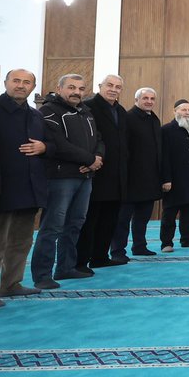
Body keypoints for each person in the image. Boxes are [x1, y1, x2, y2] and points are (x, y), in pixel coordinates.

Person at [0, 68, 46, 308]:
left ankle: (11, 284)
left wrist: (44, 148)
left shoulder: (36, 116)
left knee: (21, 241)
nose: (21, 85)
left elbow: (48, 147)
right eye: (16, 80)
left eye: (27, 82)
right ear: (6, 82)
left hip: (29, 188)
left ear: (33, 87)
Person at [32, 73, 101, 289]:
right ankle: (42, 275)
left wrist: (97, 159)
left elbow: (99, 139)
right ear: (59, 88)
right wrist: (89, 159)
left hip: (85, 176)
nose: (76, 92)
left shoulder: (86, 112)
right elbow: (57, 144)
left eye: (81, 89)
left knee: (75, 224)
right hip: (61, 178)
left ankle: (65, 267)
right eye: (71, 87)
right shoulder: (48, 111)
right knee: (52, 226)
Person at [77, 74, 127, 272]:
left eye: (118, 87)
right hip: (96, 171)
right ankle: (80, 261)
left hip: (117, 175)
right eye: (109, 85)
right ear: (100, 86)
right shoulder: (89, 107)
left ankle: (100, 256)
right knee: (89, 219)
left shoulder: (121, 111)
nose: (113, 89)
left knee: (109, 219)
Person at [114, 87, 161, 257]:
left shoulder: (154, 119)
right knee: (123, 219)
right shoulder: (128, 118)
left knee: (143, 217)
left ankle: (139, 246)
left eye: (152, 98)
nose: (149, 101)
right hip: (131, 179)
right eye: (145, 98)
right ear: (136, 100)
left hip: (149, 179)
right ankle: (118, 251)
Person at [159, 99, 189, 251]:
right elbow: (164, 156)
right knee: (170, 213)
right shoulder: (167, 130)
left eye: (188, 110)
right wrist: (166, 179)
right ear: (175, 111)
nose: (186, 113)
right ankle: (166, 243)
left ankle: (187, 239)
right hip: (174, 180)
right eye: (183, 110)